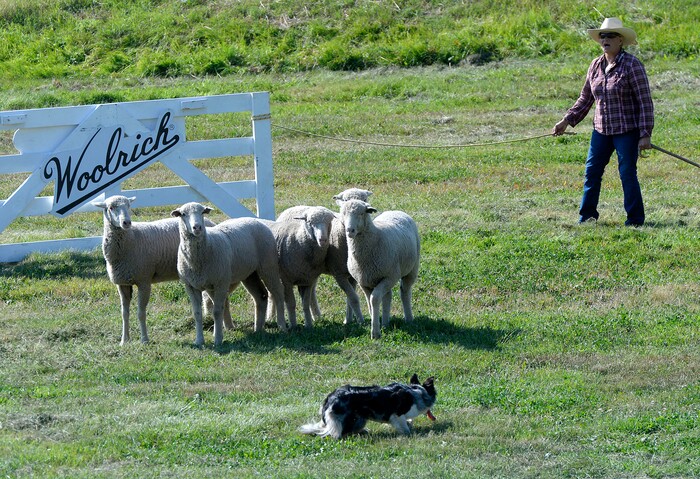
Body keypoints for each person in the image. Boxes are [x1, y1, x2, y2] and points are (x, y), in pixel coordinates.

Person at [553, 17, 654, 226]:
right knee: (592, 173)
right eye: (602, 36)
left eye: (610, 36)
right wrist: (566, 120)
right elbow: (585, 98)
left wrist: (645, 134)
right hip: (601, 130)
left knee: (627, 174)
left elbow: (645, 102)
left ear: (620, 41)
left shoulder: (632, 65)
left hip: (627, 131)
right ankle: (587, 217)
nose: (605, 39)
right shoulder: (596, 65)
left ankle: (635, 220)